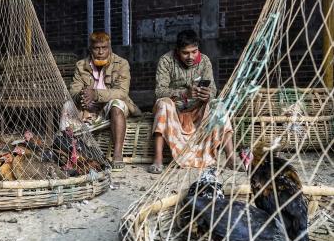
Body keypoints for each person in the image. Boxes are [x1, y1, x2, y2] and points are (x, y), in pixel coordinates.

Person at [148, 29, 237, 174]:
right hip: (174, 112)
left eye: (194, 51)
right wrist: (184, 94)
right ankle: (157, 159)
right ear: (177, 51)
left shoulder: (205, 61)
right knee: (163, 103)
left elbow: (213, 90)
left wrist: (208, 96)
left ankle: (231, 157)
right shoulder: (166, 60)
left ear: (198, 48)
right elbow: (159, 92)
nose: (190, 56)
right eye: (185, 53)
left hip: (197, 111)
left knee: (218, 105)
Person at [62, 31, 141, 171]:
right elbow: (73, 91)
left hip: (110, 108)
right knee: (67, 105)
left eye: (104, 48)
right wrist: (81, 97)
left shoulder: (121, 64)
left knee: (117, 104)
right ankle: (68, 151)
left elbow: (122, 92)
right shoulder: (81, 65)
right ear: (90, 49)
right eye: (96, 48)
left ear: (109, 47)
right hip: (89, 110)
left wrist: (96, 94)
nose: (100, 52)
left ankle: (117, 154)